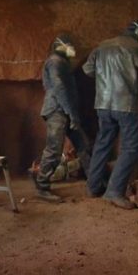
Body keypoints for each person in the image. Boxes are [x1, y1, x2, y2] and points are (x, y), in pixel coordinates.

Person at [82, 20, 138, 209]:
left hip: (103, 104)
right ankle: (114, 191)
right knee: (131, 147)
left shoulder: (102, 46)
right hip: (125, 104)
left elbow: (87, 69)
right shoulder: (137, 48)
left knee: (103, 143)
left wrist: (106, 79)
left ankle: (93, 186)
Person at [34, 33, 91, 202]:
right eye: (70, 46)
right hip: (57, 112)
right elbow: (59, 89)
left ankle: (95, 181)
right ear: (61, 47)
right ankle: (42, 186)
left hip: (64, 111)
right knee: (54, 150)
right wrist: (72, 114)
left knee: (83, 145)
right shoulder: (55, 61)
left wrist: (72, 113)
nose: (73, 49)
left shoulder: (61, 63)